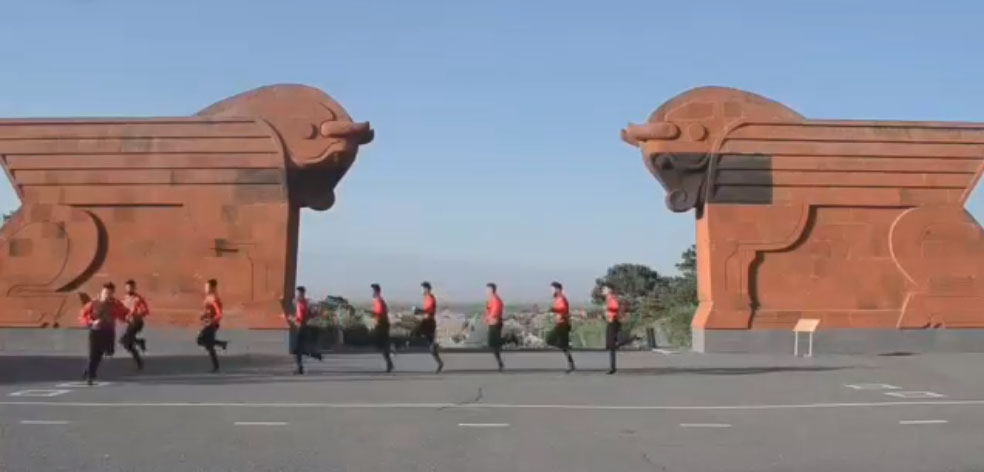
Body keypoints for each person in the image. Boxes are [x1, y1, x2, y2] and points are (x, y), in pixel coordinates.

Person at [79, 282, 129, 385]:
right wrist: (91, 322)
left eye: (110, 293)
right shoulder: (93, 303)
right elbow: (82, 316)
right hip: (95, 331)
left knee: (107, 352)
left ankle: (88, 371)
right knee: (93, 355)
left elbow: (123, 314)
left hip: (108, 331)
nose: (107, 295)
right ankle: (90, 376)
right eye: (106, 292)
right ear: (102, 292)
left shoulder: (115, 304)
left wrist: (128, 318)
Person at [197, 279, 229, 372]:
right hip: (207, 322)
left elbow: (219, 313)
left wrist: (213, 322)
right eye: (205, 286)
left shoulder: (214, 298)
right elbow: (208, 310)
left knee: (203, 341)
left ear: (213, 288)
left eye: (208, 287)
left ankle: (216, 366)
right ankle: (221, 344)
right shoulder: (208, 297)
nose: (206, 288)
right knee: (206, 342)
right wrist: (204, 315)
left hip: (212, 324)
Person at [289, 286, 322, 374]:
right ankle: (314, 355)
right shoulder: (305, 302)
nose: (297, 295)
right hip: (304, 327)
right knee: (301, 348)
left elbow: (301, 318)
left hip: (301, 328)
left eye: (298, 293)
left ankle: (300, 367)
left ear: (301, 293)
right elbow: (308, 315)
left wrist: (292, 319)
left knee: (298, 350)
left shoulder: (301, 303)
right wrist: (315, 314)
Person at [413, 281, 443, 373]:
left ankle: (434, 346)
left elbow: (429, 311)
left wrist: (419, 311)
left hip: (429, 322)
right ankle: (434, 348)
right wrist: (419, 311)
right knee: (428, 343)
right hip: (426, 322)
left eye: (422, 288)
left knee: (415, 333)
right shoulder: (426, 298)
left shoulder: (430, 298)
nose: (421, 290)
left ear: (426, 289)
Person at [120, 279, 150, 371]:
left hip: (137, 323)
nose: (129, 289)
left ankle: (140, 343)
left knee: (125, 340)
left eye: (131, 287)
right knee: (126, 344)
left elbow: (146, 311)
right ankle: (139, 346)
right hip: (130, 323)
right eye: (127, 287)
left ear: (134, 288)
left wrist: (136, 314)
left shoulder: (138, 299)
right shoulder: (124, 298)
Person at [548, 281, 575, 373]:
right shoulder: (558, 298)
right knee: (561, 344)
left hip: (563, 324)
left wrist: (553, 309)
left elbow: (563, 310)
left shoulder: (561, 298)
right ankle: (570, 363)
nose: (550, 291)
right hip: (560, 323)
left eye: (552, 289)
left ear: (557, 289)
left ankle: (570, 364)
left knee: (551, 339)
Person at [371, 283, 394, 373]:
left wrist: (372, 314)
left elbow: (379, 314)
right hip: (381, 324)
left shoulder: (380, 302)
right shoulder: (378, 301)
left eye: (374, 290)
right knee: (382, 345)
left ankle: (389, 363)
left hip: (382, 325)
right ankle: (389, 362)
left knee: (382, 345)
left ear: (378, 292)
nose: (372, 292)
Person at [602, 283, 622, 374]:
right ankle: (612, 367)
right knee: (610, 345)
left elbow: (615, 308)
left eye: (604, 289)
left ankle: (612, 368)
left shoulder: (612, 298)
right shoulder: (608, 298)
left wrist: (607, 309)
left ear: (609, 289)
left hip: (613, 322)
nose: (603, 290)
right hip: (611, 321)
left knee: (612, 346)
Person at [485, 282, 505, 371]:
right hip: (492, 323)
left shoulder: (496, 300)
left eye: (487, 290)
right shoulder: (491, 299)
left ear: (491, 290)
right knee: (493, 345)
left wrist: (489, 317)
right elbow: (488, 311)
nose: (486, 292)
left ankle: (510, 338)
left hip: (495, 323)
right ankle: (500, 363)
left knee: (493, 344)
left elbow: (495, 313)